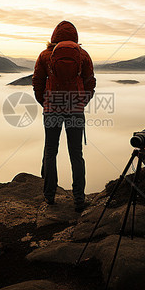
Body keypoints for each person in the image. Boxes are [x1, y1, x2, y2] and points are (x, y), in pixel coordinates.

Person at [32, 21, 96, 212]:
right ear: (75, 36)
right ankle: (79, 199)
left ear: (54, 35)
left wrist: (45, 102)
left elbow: (37, 81)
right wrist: (81, 102)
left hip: (52, 107)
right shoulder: (83, 55)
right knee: (76, 154)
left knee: (50, 151)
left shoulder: (45, 55)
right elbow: (90, 83)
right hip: (75, 109)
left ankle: (49, 197)